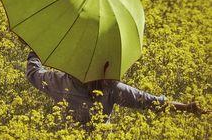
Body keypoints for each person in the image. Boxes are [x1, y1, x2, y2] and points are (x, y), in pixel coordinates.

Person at [26, 51, 207, 124]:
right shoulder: (109, 87)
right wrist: (187, 108)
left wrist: (35, 50)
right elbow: (149, 102)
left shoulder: (58, 81)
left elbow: (33, 73)